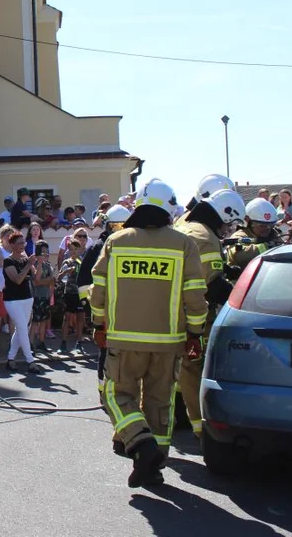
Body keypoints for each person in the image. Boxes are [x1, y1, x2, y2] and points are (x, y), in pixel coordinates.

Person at [88, 179, 207, 488]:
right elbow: (195, 295)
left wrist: (98, 325)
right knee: (160, 403)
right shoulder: (183, 244)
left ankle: (141, 445)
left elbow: (97, 290)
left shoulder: (117, 242)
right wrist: (195, 333)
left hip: (123, 339)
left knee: (115, 395)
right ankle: (153, 466)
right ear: (169, 210)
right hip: (169, 342)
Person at [173, 188, 246, 440]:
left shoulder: (186, 227)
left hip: (171, 311)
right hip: (192, 317)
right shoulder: (206, 237)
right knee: (194, 369)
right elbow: (211, 286)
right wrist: (240, 295)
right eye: (231, 223)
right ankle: (201, 428)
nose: (230, 230)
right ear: (224, 216)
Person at [76, 203, 131, 391]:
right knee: (106, 351)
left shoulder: (130, 248)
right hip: (105, 310)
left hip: (124, 310)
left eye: (123, 226)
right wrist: (89, 308)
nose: (119, 231)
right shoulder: (98, 248)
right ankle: (103, 391)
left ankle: (120, 389)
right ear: (107, 225)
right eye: (115, 226)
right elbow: (83, 280)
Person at [2, 231, 44, 373]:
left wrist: (38, 263)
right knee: (21, 327)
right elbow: (18, 280)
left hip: (27, 297)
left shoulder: (26, 258)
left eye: (23, 243)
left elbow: (37, 279)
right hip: (12, 300)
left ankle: (10, 359)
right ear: (12, 245)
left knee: (22, 329)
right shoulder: (8, 261)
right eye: (19, 243)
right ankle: (30, 360)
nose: (22, 246)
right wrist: (28, 264)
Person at [228, 198, 283, 270]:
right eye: (262, 225)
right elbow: (240, 256)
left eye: (270, 225)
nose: (267, 229)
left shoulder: (274, 234)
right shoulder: (239, 236)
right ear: (249, 223)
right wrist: (268, 246)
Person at [29, 240, 55, 355]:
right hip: (36, 297)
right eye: (42, 251)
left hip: (45, 296)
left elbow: (52, 280)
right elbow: (36, 281)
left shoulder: (48, 265)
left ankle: (41, 342)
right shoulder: (33, 265)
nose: (45, 254)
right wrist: (46, 280)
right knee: (35, 321)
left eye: (46, 251)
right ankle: (30, 344)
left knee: (44, 320)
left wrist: (47, 281)